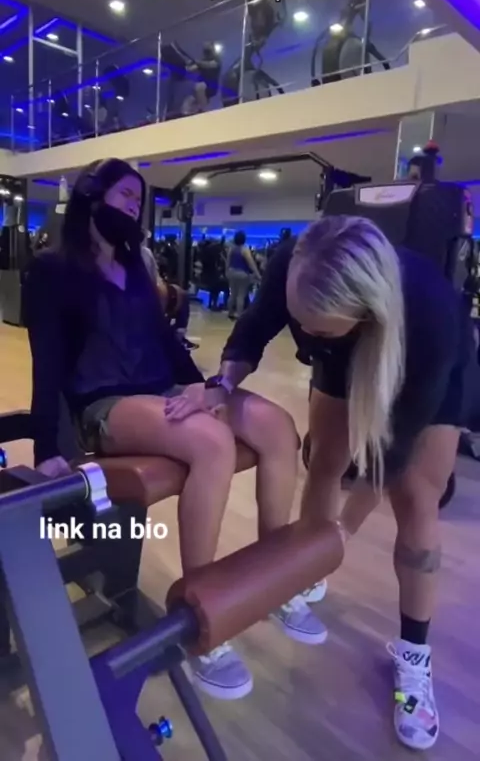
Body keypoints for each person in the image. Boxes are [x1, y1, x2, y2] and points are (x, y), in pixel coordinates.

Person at [22, 158, 325, 701]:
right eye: (124, 195)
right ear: (91, 194)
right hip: (104, 404)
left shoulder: (135, 268)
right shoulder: (53, 269)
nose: (133, 206)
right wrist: (47, 445)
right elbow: (46, 360)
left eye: (138, 200)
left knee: (276, 426)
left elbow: (163, 341)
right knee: (211, 442)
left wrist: (205, 388)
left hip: (161, 387)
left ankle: (276, 577)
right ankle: (200, 617)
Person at [184, 215, 475, 750]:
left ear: (362, 310)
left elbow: (389, 455)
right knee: (323, 461)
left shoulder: (428, 312)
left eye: (313, 329)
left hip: (431, 368)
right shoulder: (296, 264)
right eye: (300, 323)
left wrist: (342, 533)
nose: (301, 333)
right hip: (342, 357)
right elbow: (255, 328)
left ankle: (414, 657)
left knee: (416, 499)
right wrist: (221, 384)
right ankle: (308, 569)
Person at [226, 231, 261, 320]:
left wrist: (227, 272)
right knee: (241, 295)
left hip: (232, 272)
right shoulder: (244, 250)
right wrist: (257, 274)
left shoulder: (231, 249)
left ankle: (230, 313)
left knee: (232, 294)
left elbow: (228, 262)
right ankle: (239, 315)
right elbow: (251, 263)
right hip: (242, 274)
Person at [183, 42, 222, 114]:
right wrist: (186, 65)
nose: (207, 53)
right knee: (187, 103)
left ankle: (204, 111)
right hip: (199, 89)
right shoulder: (202, 61)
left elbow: (210, 65)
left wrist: (198, 62)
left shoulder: (216, 60)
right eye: (205, 51)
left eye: (208, 50)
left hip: (210, 87)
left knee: (200, 86)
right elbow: (191, 69)